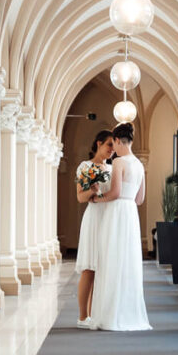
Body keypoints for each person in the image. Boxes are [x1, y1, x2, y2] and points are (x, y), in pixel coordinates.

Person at [86, 122, 151, 332]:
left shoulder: (119, 163)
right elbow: (140, 199)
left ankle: (110, 315)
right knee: (128, 261)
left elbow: (114, 193)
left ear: (116, 140)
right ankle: (129, 312)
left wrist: (97, 199)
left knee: (111, 260)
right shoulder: (140, 165)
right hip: (131, 214)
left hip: (116, 214)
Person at [75, 130, 114, 326]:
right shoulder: (86, 166)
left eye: (114, 147)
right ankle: (83, 316)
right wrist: (93, 189)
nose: (112, 150)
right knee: (89, 268)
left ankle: (97, 314)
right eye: (109, 145)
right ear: (99, 143)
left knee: (104, 268)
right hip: (93, 218)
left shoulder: (113, 169)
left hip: (109, 218)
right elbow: (80, 197)